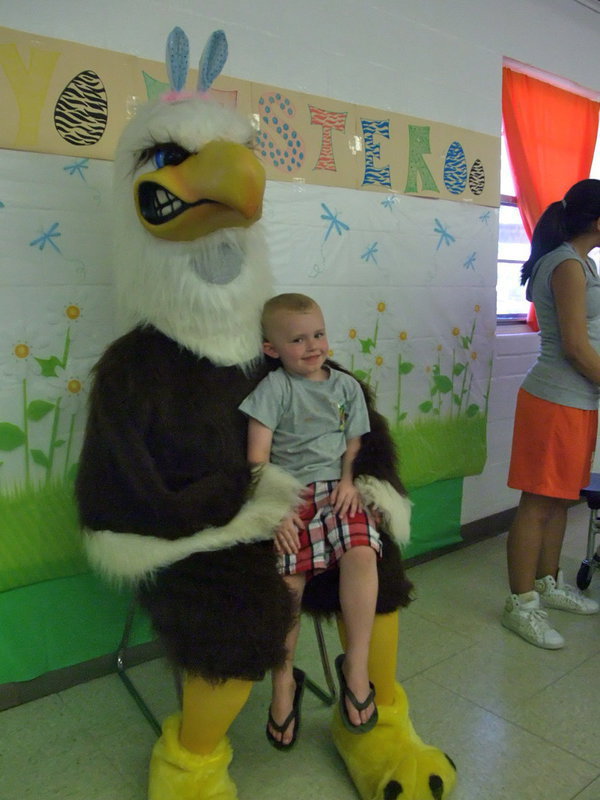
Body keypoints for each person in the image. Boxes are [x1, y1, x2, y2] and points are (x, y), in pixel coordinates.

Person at [239, 293, 381, 748]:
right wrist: (275, 509)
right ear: (271, 349)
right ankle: (284, 681)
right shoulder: (273, 390)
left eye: (318, 334)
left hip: (337, 491)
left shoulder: (345, 387)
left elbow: (356, 442)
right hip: (293, 496)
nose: (313, 345)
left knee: (362, 552)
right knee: (288, 584)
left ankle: (356, 667)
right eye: (298, 339)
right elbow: (257, 460)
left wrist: (348, 480)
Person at [503, 178, 600, 649]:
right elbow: (576, 348)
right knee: (538, 503)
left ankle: (547, 583)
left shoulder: (583, 262)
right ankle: (520, 604)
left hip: (578, 401)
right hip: (554, 399)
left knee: (562, 499)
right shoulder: (565, 264)